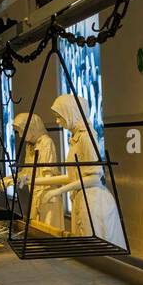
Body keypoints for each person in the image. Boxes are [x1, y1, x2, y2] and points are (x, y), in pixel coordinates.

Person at [48, 93, 125, 247]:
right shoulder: (76, 138)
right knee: (86, 250)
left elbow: (95, 178)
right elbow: (73, 177)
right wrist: (35, 181)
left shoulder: (87, 138)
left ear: (70, 112)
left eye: (59, 116)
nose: (57, 121)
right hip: (82, 200)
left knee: (97, 253)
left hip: (93, 203)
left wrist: (58, 191)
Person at [3, 112, 64, 231]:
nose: (20, 135)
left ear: (32, 127)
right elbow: (27, 172)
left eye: (22, 131)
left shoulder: (46, 143)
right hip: (36, 196)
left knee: (48, 233)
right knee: (38, 232)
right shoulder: (30, 145)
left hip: (48, 197)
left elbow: (48, 177)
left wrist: (26, 180)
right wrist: (9, 179)